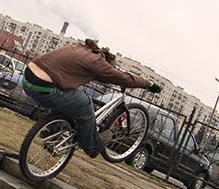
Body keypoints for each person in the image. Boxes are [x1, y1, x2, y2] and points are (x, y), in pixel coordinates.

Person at [22, 38, 161, 158]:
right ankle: (93, 146)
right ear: (107, 63)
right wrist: (149, 84)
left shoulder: (81, 48)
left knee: (70, 98)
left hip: (28, 79)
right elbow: (124, 78)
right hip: (44, 88)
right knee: (85, 105)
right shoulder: (98, 63)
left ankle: (53, 129)